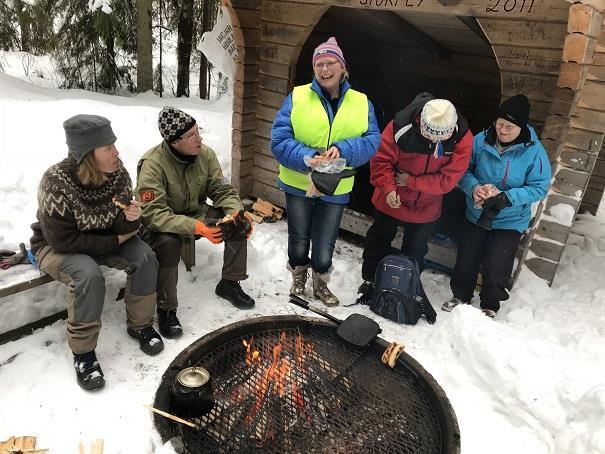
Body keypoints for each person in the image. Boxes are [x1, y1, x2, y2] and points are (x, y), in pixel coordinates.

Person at [29, 114, 163, 391]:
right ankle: (84, 353)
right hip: (56, 247)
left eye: (114, 144)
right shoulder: (55, 182)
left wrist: (130, 217)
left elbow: (123, 225)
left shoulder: (118, 174)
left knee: (146, 257)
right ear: (88, 154)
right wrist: (117, 238)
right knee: (88, 275)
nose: (116, 152)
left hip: (106, 238)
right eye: (108, 147)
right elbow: (64, 240)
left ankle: (141, 325)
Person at [271, 36, 380, 307]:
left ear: (342, 67)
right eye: (319, 64)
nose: (324, 69)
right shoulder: (297, 97)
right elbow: (279, 140)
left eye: (330, 62)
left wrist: (343, 149)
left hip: (336, 185)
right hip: (299, 181)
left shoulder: (361, 102)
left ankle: (320, 284)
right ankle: (298, 277)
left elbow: (372, 141)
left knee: (325, 240)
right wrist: (305, 157)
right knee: (298, 237)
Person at [136, 106, 255, 339]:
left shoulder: (206, 154)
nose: (199, 138)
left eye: (198, 131)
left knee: (237, 224)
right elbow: (154, 214)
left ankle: (230, 283)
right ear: (174, 142)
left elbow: (220, 190)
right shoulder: (152, 164)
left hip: (196, 213)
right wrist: (197, 227)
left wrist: (235, 212)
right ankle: (167, 309)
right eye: (191, 135)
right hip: (162, 223)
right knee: (169, 244)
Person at [357, 93, 473, 303]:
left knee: (416, 249)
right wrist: (389, 188)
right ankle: (370, 280)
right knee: (379, 239)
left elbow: (448, 180)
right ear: (421, 124)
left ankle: (405, 285)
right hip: (392, 196)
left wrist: (411, 181)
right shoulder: (400, 126)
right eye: (430, 135)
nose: (434, 141)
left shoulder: (462, 138)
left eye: (441, 138)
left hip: (427, 202)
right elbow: (381, 160)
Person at [443, 94, 551, 318]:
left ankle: (490, 305)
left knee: (496, 263)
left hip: (510, 219)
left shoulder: (535, 152)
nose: (502, 130)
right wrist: (474, 188)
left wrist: (507, 197)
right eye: (500, 123)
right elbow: (463, 170)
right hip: (477, 212)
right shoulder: (480, 140)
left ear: (521, 127)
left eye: (509, 126)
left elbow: (539, 187)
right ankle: (460, 295)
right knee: (467, 258)